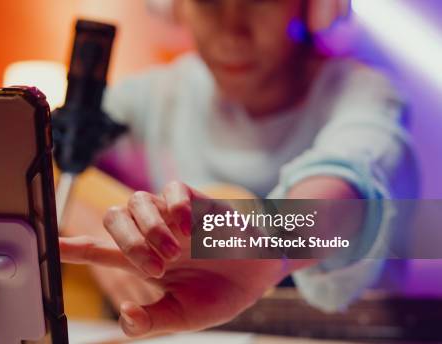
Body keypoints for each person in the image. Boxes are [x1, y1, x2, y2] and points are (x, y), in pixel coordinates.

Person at [60, 0, 419, 338]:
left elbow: (347, 174)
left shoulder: (364, 94)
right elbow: (32, 161)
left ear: (313, 7)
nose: (232, 32)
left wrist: (272, 247)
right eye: (208, 0)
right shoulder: (153, 94)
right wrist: (96, 225)